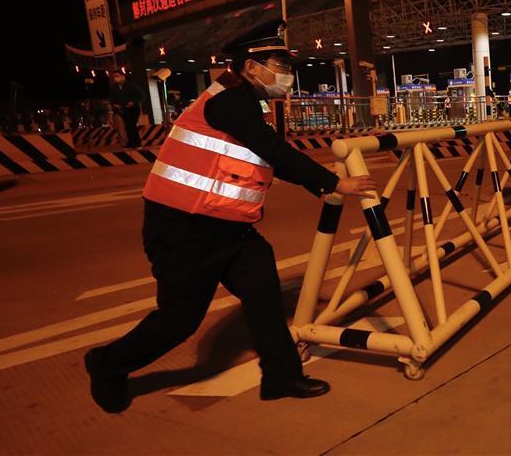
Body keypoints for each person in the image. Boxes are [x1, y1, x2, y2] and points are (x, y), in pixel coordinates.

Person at [84, 22, 377, 413]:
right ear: (252, 67)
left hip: (230, 230)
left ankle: (281, 377)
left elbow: (258, 158)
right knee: (179, 320)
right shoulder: (228, 101)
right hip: (183, 231)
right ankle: (106, 364)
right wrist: (332, 183)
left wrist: (321, 184)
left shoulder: (241, 100)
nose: (287, 74)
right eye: (280, 65)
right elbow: (273, 150)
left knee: (264, 295)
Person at [109, 69, 143, 148]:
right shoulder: (114, 88)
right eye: (114, 77)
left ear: (123, 76)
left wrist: (133, 102)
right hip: (123, 110)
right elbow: (112, 98)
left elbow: (141, 96)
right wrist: (115, 104)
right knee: (127, 126)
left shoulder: (131, 86)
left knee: (132, 125)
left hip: (133, 109)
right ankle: (130, 143)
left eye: (117, 76)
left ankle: (137, 144)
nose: (115, 78)